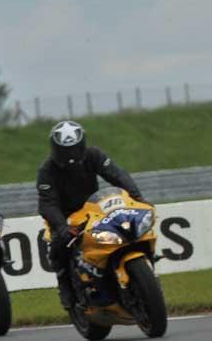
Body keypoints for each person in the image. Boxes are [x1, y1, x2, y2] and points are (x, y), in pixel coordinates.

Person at [36, 120, 145, 309]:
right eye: (65, 151)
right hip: (65, 215)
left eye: (74, 149)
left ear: (82, 145)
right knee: (59, 244)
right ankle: (65, 285)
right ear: (55, 149)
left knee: (122, 225)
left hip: (93, 207)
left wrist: (137, 197)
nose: (70, 155)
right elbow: (47, 203)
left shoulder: (93, 155)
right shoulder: (46, 170)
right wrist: (62, 227)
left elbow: (116, 175)